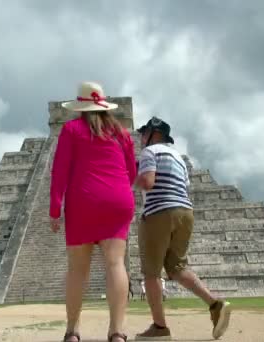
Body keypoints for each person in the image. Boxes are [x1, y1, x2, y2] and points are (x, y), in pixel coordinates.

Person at [50, 81, 137, 342]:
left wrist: (55, 209)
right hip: (119, 199)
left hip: (83, 200)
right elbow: (132, 171)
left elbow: (60, 171)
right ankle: (117, 332)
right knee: (115, 264)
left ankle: (72, 331)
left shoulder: (71, 129)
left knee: (77, 270)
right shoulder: (121, 133)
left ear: (81, 107)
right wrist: (115, 191)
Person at [134, 116, 232, 340]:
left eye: (143, 133)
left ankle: (159, 328)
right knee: (177, 268)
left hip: (159, 212)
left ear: (153, 133)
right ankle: (215, 304)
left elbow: (148, 182)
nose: (140, 137)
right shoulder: (179, 158)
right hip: (185, 213)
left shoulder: (150, 153)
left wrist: (126, 177)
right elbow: (184, 187)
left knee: (151, 272)